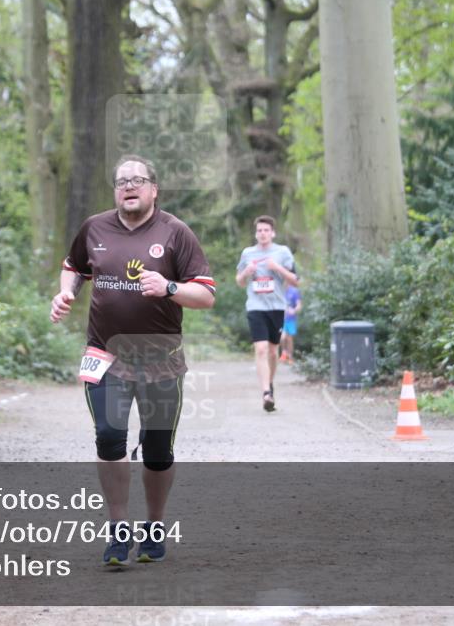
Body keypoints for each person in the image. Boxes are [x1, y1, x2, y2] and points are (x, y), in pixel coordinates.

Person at [50, 154, 215, 566]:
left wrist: (170, 287)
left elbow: (206, 295)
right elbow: (73, 267)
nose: (129, 186)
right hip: (105, 355)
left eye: (138, 180)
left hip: (161, 360)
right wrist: (66, 292)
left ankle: (154, 526)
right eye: (122, 181)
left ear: (154, 189)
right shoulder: (94, 228)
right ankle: (118, 530)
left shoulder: (176, 233)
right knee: (109, 437)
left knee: (158, 450)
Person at [236, 216, 298, 412]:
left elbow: (295, 280)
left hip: (277, 307)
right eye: (259, 230)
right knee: (261, 349)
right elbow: (240, 281)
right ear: (256, 234)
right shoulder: (248, 253)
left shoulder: (282, 252)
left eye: (266, 230)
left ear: (273, 233)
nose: (262, 234)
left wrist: (277, 268)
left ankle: (269, 384)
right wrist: (246, 272)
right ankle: (265, 393)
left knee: (272, 351)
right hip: (255, 307)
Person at [279, 285, 302, 364]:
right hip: (280, 319)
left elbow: (299, 305)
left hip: (290, 319)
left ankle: (290, 356)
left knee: (289, 338)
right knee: (282, 337)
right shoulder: (278, 290)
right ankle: (284, 353)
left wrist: (294, 310)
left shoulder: (294, 291)